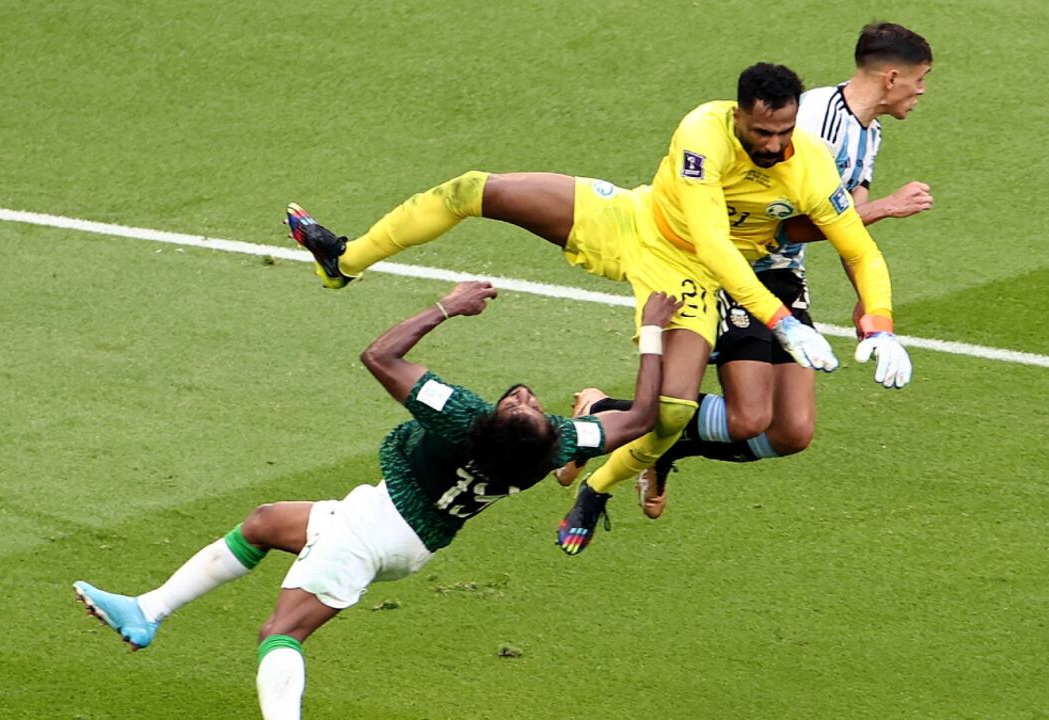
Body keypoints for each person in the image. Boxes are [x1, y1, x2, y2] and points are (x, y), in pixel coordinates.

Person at [287, 62, 912, 556]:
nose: (774, 145)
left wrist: (879, 324)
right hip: (633, 222)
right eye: (762, 133)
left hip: (688, 276)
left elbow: (859, 248)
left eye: (784, 132)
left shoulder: (809, 165)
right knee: (476, 189)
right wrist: (779, 323)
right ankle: (343, 260)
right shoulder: (702, 132)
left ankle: (598, 485)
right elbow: (714, 238)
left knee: (669, 412)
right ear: (738, 117)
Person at [73, 282, 679, 719]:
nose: (522, 395)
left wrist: (447, 307)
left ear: (493, 422)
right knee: (263, 524)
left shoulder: (463, 419)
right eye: (528, 403)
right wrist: (653, 330)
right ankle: (147, 610)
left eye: (517, 404)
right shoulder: (556, 443)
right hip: (407, 537)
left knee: (279, 634)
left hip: (373, 529)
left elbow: (379, 355)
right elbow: (644, 415)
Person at [560, 23, 934, 519]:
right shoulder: (810, 122)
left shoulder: (868, 133)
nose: (923, 90)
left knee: (792, 432)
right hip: (739, 264)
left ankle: (663, 444)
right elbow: (783, 225)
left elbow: (844, 229)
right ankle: (607, 418)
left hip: (784, 273)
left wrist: (872, 315)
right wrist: (886, 208)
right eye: (921, 78)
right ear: (892, 77)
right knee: (748, 415)